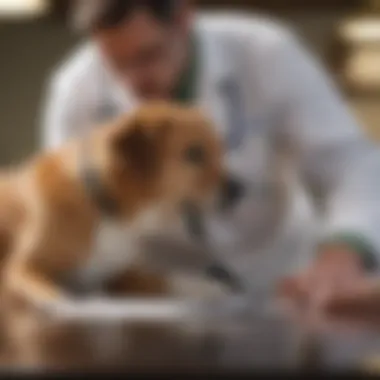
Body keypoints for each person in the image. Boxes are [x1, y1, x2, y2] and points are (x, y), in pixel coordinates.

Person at [41, 0, 380, 310]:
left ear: (184, 18)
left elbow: (350, 165)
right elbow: (68, 215)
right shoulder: (76, 92)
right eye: (116, 63)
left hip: (279, 280)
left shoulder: (265, 53)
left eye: (149, 55)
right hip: (161, 300)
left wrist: (343, 251)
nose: (134, 81)